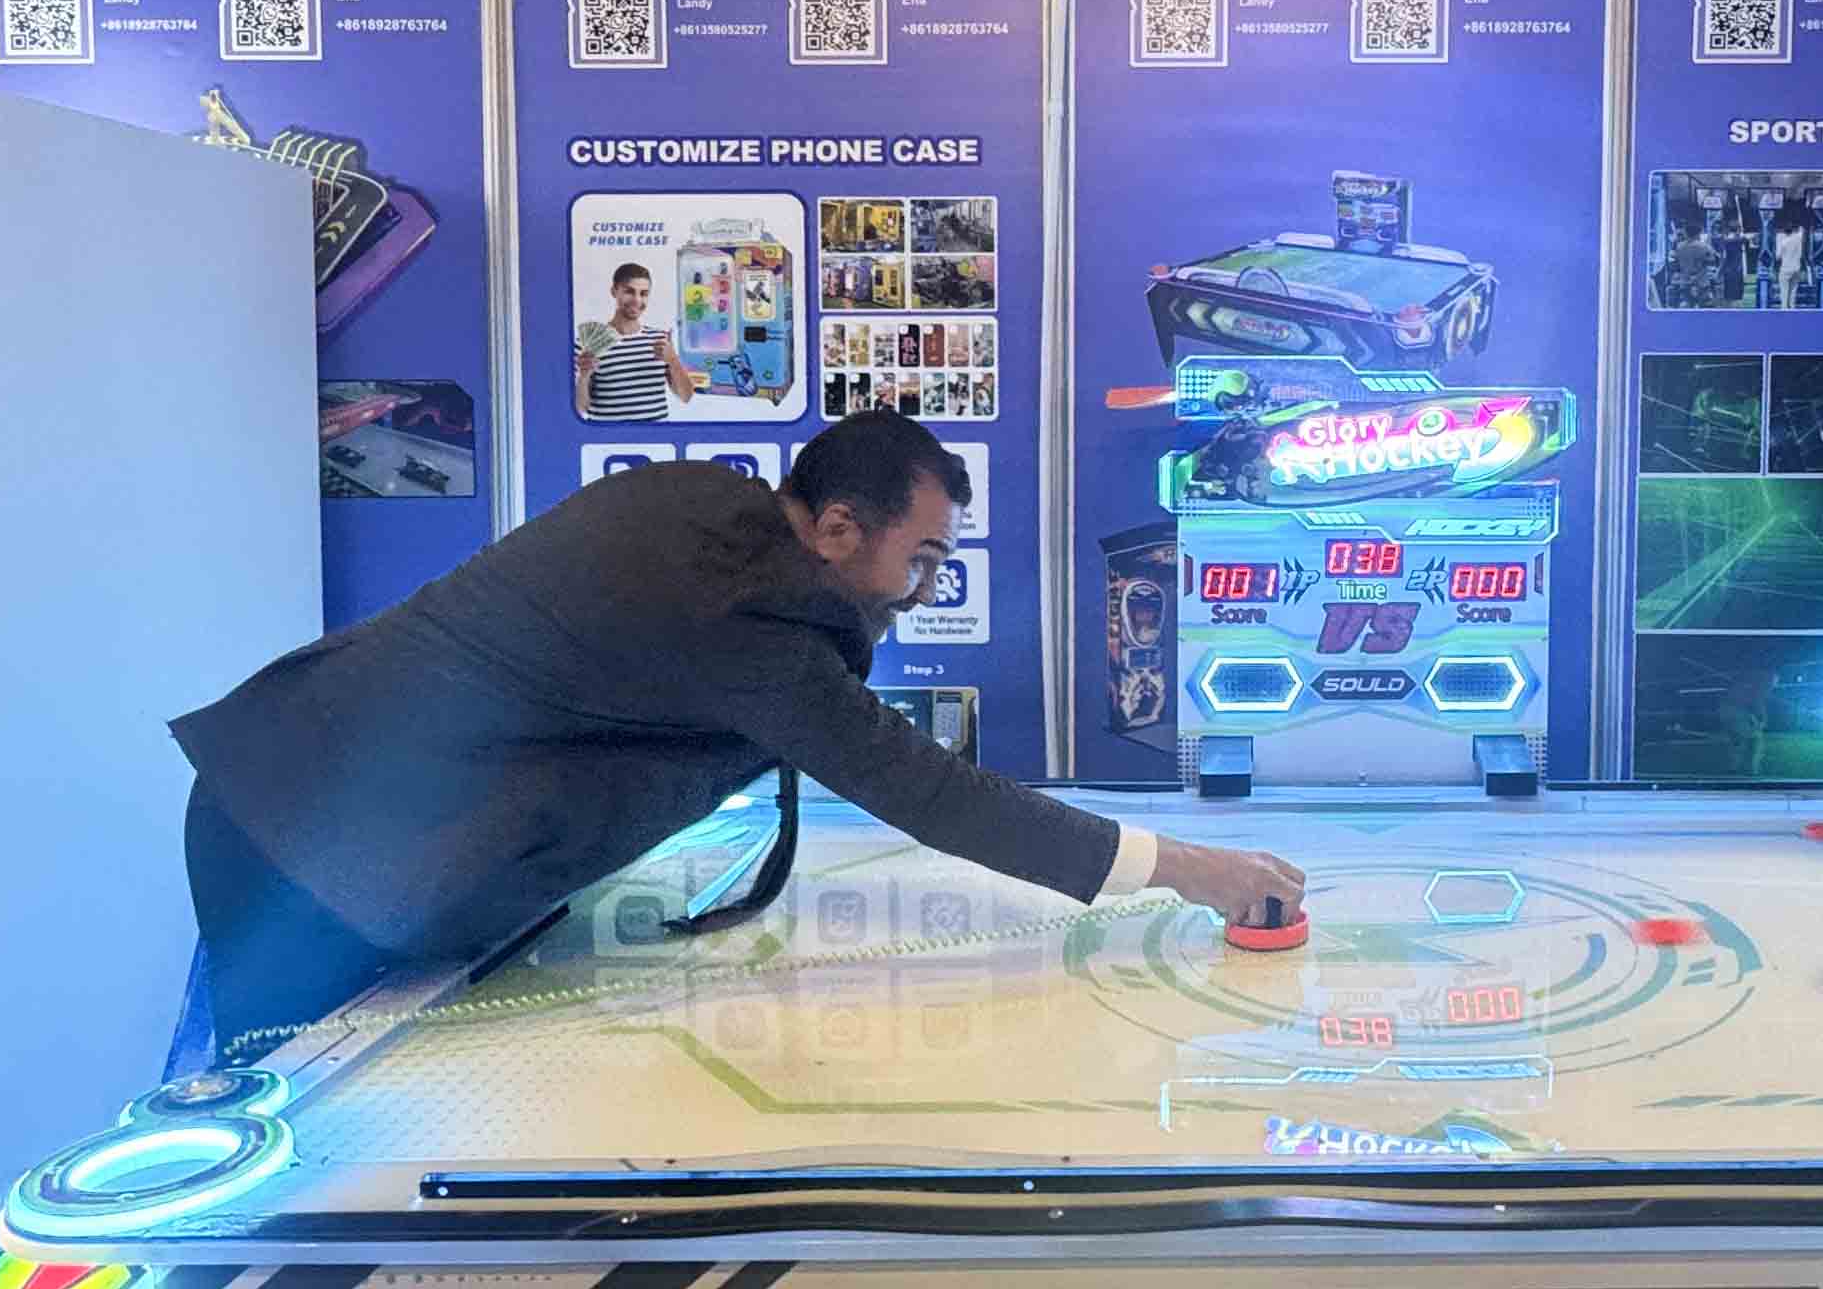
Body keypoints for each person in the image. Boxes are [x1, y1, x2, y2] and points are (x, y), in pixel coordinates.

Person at [175, 411, 1303, 1046]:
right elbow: (929, 792)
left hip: (291, 790)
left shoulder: (700, 502)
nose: (920, 592)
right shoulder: (742, 616)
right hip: (319, 857)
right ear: (837, 527)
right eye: (919, 560)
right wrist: (1190, 871)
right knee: (253, 1153)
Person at [576, 262, 697, 419]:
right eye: (629, 291)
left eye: (644, 294)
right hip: (608, 434)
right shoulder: (587, 343)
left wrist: (673, 360)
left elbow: (686, 396)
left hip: (656, 434)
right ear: (614, 291)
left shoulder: (660, 340)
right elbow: (580, 408)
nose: (637, 300)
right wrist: (584, 376)